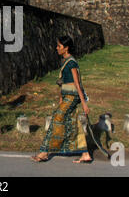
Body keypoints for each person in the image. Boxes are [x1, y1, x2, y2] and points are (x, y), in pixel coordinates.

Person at [31, 36, 92, 164]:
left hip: (72, 96)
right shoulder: (64, 61)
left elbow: (77, 83)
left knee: (57, 117)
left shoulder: (72, 62)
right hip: (66, 96)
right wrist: (60, 98)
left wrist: (84, 104)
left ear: (66, 48)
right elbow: (62, 83)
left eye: (59, 46)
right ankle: (85, 153)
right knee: (72, 122)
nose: (57, 48)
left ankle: (44, 152)